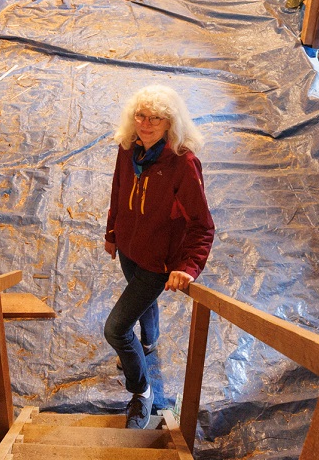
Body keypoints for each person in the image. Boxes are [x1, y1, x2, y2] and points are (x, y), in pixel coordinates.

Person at [103, 84, 215, 429]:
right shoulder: (129, 150)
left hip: (158, 262)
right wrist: (112, 233)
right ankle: (149, 342)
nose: (146, 123)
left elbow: (202, 226)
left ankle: (142, 393)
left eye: (156, 118)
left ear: (170, 123)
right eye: (141, 115)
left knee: (117, 330)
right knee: (142, 304)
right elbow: (119, 192)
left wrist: (188, 267)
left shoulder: (183, 163)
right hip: (129, 250)